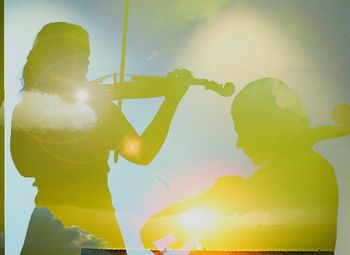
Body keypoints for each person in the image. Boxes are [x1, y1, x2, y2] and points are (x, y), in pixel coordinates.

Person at [11, 22, 192, 254]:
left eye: (85, 62)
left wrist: (171, 99)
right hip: (85, 222)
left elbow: (25, 168)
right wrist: (171, 99)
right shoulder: (93, 110)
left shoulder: (93, 108)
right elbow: (143, 153)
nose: (84, 70)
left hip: (56, 221)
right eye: (75, 61)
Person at [141, 78, 349, 252]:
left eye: (243, 130)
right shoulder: (300, 169)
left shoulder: (303, 170)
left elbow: (240, 212)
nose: (239, 143)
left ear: (267, 127)